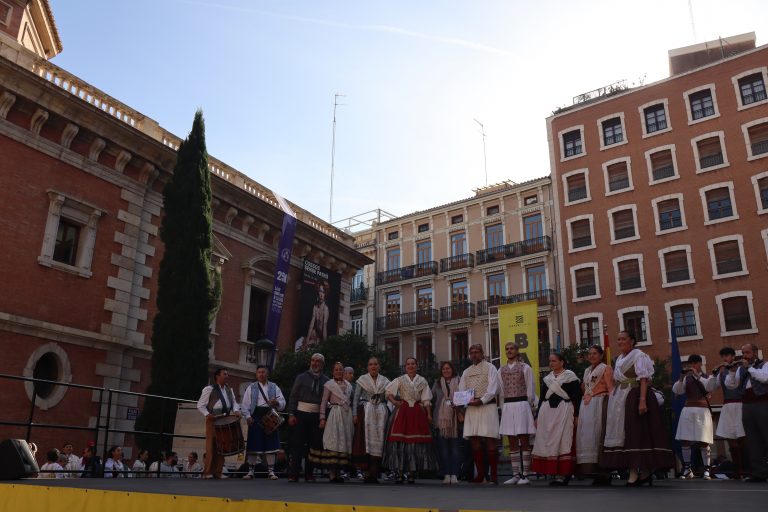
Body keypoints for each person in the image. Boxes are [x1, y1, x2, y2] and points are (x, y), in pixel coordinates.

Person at [602, 330, 674, 486]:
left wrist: (642, 400)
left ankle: (638, 472)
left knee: (637, 432)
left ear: (632, 341)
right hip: (621, 397)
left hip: (634, 395)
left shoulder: (639, 356)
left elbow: (643, 379)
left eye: (623, 339)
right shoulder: (620, 358)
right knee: (627, 433)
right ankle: (641, 472)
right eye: (618, 339)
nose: (620, 342)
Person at [383, 357, 435, 484]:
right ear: (405, 366)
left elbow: (426, 399)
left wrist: (428, 415)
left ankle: (411, 473)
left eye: (413, 364)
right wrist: (395, 402)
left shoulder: (422, 380)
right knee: (400, 442)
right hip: (403, 411)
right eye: (408, 364)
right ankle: (400, 473)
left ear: (417, 366)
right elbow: (388, 391)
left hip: (417, 412)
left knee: (414, 443)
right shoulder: (400, 379)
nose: (410, 366)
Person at [532, 353, 581, 486]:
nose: (551, 363)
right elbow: (542, 398)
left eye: (554, 361)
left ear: (562, 362)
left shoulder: (570, 377)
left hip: (564, 411)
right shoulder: (547, 378)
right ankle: (555, 472)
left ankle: (564, 474)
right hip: (547, 413)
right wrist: (537, 417)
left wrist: (577, 415)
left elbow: (577, 397)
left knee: (563, 440)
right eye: (550, 361)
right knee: (549, 441)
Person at [459, 344, 501, 484]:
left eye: (477, 352)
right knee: (474, 440)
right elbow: (462, 390)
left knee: (490, 439)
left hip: (487, 407)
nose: (474, 355)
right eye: (472, 353)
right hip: (471, 408)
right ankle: (481, 475)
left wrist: (481, 400)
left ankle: (493, 475)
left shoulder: (490, 368)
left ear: (482, 353)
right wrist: (466, 402)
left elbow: (493, 388)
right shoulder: (466, 372)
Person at [498, 342, 537, 486]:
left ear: (517, 351)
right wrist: (503, 408)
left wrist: (528, 404)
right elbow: (501, 391)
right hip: (508, 405)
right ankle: (515, 474)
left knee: (524, 438)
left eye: (511, 348)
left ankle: (525, 474)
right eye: (507, 349)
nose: (509, 351)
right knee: (512, 440)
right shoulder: (500, 370)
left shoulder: (525, 368)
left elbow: (530, 388)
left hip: (522, 404)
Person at [673, 354, 717, 479]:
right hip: (688, 409)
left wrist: (697, 376)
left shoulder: (707, 377)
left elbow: (709, 389)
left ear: (699, 364)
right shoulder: (687, 379)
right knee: (685, 440)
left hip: (702, 410)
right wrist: (681, 377)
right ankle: (687, 469)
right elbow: (677, 391)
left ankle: (707, 469)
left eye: (694, 364)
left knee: (704, 440)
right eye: (690, 364)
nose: (691, 366)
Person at [287, 353, 329, 482]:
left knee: (313, 446)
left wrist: (323, 418)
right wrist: (291, 414)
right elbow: (293, 396)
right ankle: (294, 473)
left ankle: (309, 474)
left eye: (318, 361)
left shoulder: (326, 381)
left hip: (316, 415)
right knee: (297, 445)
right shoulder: (301, 377)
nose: (314, 363)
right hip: (301, 413)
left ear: (322, 364)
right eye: (313, 360)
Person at [576, 344, 614, 486]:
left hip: (600, 403)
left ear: (601, 355)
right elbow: (585, 388)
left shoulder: (606, 368)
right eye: (589, 354)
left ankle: (605, 472)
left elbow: (611, 388)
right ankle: (596, 471)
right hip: (587, 405)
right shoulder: (587, 371)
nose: (591, 356)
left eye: (594, 354)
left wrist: (611, 406)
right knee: (589, 437)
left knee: (600, 435)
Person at [731, 343, 768, 482]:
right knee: (753, 440)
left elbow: (765, 378)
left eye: (747, 352)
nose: (744, 355)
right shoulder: (741, 369)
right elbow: (732, 384)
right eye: (743, 353)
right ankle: (759, 473)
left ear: (755, 353)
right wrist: (731, 371)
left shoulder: (764, 364)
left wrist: (749, 368)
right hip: (747, 405)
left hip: (763, 403)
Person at [312, 362, 355, 482]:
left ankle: (339, 473)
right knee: (334, 441)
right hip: (334, 414)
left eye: (341, 370)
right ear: (333, 372)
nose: (339, 372)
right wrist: (322, 418)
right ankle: (332, 473)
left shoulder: (349, 385)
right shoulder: (329, 385)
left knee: (344, 441)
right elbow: (324, 402)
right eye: (336, 370)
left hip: (346, 414)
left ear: (344, 372)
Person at [196, 367, 242, 479]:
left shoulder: (229, 390)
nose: (227, 376)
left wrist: (236, 410)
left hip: (225, 419)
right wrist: (207, 414)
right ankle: (208, 472)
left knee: (223, 446)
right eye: (225, 374)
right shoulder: (209, 389)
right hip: (213, 419)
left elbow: (234, 403)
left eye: (227, 374)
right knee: (211, 446)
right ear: (217, 376)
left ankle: (218, 472)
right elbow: (200, 405)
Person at [242, 365, 286, 480]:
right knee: (253, 446)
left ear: (267, 374)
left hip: (270, 417)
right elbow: (245, 405)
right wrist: (247, 416)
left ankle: (271, 472)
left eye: (263, 372)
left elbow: (283, 402)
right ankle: (250, 471)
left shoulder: (274, 387)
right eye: (259, 372)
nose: (261, 374)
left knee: (271, 446)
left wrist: (276, 402)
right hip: (255, 417)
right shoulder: (251, 388)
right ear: (256, 374)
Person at [351, 357, 391, 483]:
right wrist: (354, 415)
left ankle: (375, 472)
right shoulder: (362, 380)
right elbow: (356, 398)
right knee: (365, 441)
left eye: (375, 364)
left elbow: (390, 396)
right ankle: (366, 472)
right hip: (366, 413)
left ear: (379, 366)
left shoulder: (385, 381)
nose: (373, 366)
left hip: (380, 414)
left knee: (379, 442)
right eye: (370, 364)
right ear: (367, 367)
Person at [712, 346, 747, 479]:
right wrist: (717, 373)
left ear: (733, 356)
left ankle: (746, 468)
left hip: (739, 404)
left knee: (743, 438)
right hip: (727, 405)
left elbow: (737, 384)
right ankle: (737, 471)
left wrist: (730, 370)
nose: (725, 358)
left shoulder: (740, 368)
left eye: (727, 356)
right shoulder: (722, 371)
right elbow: (714, 386)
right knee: (730, 438)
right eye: (723, 356)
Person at [432, 361, 462, 485]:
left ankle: (454, 474)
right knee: (443, 450)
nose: (446, 370)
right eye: (443, 369)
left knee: (455, 449)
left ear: (452, 369)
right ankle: (446, 474)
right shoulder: (437, 383)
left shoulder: (460, 381)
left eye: (448, 368)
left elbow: (465, 397)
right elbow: (430, 398)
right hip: (441, 421)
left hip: (456, 420)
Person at [305, 281, 329, 347]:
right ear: (318, 292)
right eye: (320, 291)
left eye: (323, 292)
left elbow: (324, 326)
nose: (321, 294)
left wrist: (324, 345)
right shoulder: (315, 307)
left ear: (325, 294)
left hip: (322, 337)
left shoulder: (325, 309)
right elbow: (312, 323)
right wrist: (307, 339)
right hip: (316, 334)